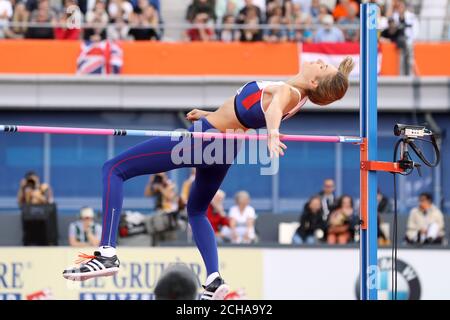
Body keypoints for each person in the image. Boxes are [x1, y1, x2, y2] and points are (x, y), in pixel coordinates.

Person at [62, 55, 355, 300]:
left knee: (114, 169)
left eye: (323, 66)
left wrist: (273, 134)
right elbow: (243, 112)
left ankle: (107, 252)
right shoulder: (294, 93)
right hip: (224, 144)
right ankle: (214, 278)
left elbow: (273, 110)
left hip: (206, 141)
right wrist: (209, 114)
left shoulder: (287, 93)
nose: (319, 61)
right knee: (197, 210)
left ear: (314, 82)